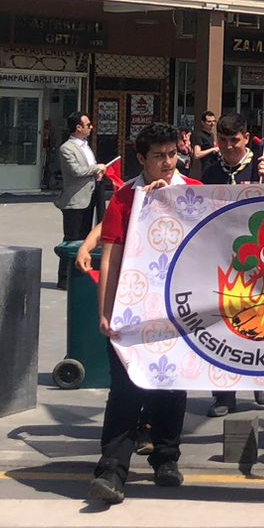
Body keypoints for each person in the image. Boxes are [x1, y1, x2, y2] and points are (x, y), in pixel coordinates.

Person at [87, 122, 197, 506]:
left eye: (172, 154)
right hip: (132, 310)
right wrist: (106, 309)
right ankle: (112, 468)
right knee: (125, 389)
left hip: (178, 310)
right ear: (140, 159)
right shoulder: (124, 198)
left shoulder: (196, 194)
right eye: (158, 156)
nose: (167, 163)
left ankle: (167, 457)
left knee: (171, 385)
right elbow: (111, 254)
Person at [197, 115, 264, 420]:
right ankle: (224, 393)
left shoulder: (263, 168)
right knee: (223, 326)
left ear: (247, 138)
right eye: (224, 140)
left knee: (261, 323)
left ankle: (261, 378)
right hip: (223, 260)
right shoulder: (212, 172)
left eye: (235, 140)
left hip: (261, 261)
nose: (229, 146)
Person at [56, 112, 105, 286]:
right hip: (75, 200)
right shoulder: (67, 148)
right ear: (78, 127)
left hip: (90, 196)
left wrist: (97, 174)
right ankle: (63, 277)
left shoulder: (85, 145)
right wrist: (95, 168)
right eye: (88, 124)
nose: (91, 127)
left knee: (85, 237)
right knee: (71, 239)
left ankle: (78, 272)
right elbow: (76, 171)